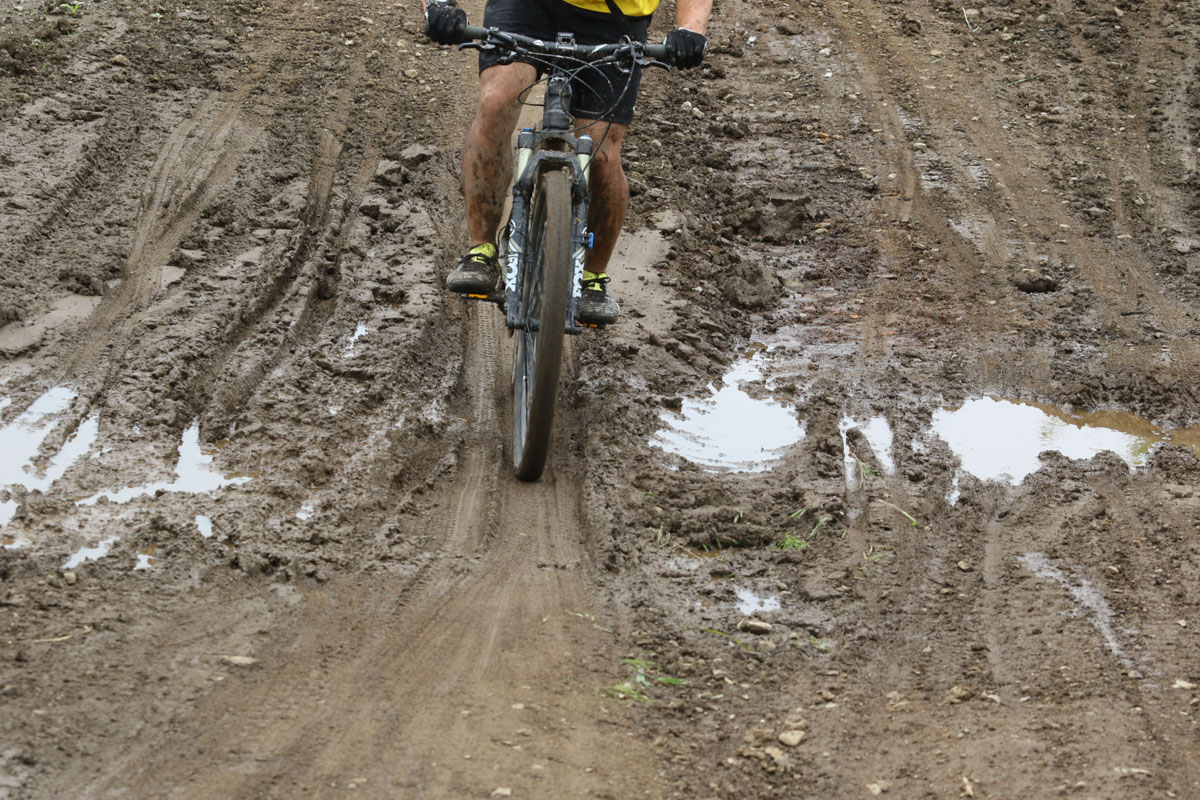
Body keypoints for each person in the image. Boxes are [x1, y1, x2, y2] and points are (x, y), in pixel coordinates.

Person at [424, 0, 711, 325]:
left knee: (602, 155)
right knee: (495, 104)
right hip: (525, 7)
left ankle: (591, 278)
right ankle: (481, 252)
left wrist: (691, 27)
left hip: (616, 16)